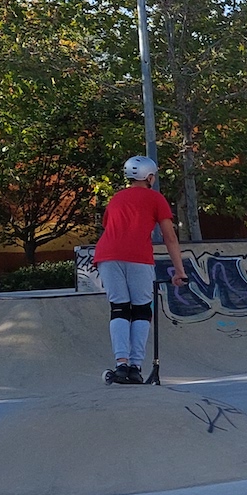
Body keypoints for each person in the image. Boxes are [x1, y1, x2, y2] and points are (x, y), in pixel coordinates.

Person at [91, 155, 188, 384]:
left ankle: (121, 365)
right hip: (138, 257)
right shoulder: (156, 199)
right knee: (142, 310)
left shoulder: (116, 198)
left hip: (106, 255)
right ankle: (135, 366)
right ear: (150, 177)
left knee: (120, 309)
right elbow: (170, 237)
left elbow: (109, 227)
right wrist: (179, 271)